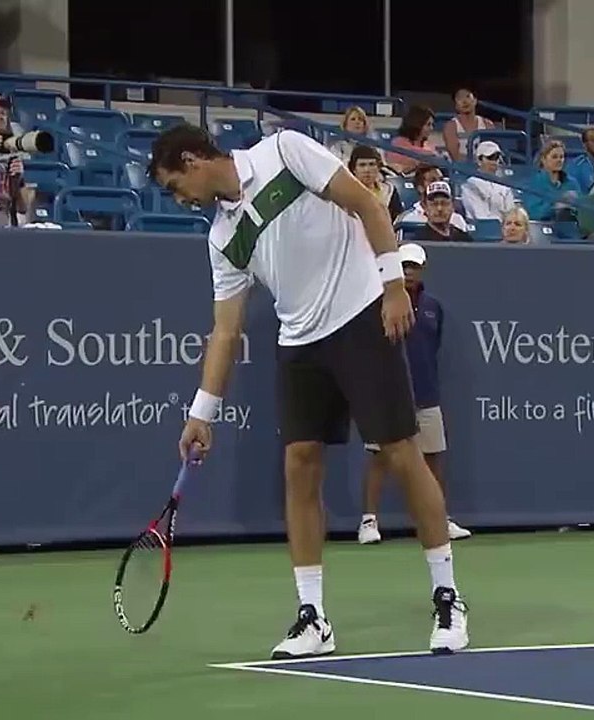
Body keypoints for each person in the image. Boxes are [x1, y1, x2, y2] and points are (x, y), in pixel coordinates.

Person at [148, 124, 470, 660]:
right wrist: (201, 412)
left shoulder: (283, 151)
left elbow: (366, 204)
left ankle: (447, 597)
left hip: (362, 315)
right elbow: (225, 330)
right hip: (299, 342)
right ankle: (313, 617)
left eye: (174, 184)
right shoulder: (221, 238)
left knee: (400, 454)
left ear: (192, 159)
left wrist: (393, 286)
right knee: (298, 464)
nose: (178, 198)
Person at [358, 243, 471, 546]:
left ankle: (439, 519)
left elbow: (432, 347)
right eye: (403, 266)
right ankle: (368, 520)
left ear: (422, 269)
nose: (408, 272)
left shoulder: (434, 307)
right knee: (379, 457)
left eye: (413, 267)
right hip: (386, 392)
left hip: (426, 393)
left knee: (432, 459)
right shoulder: (380, 302)